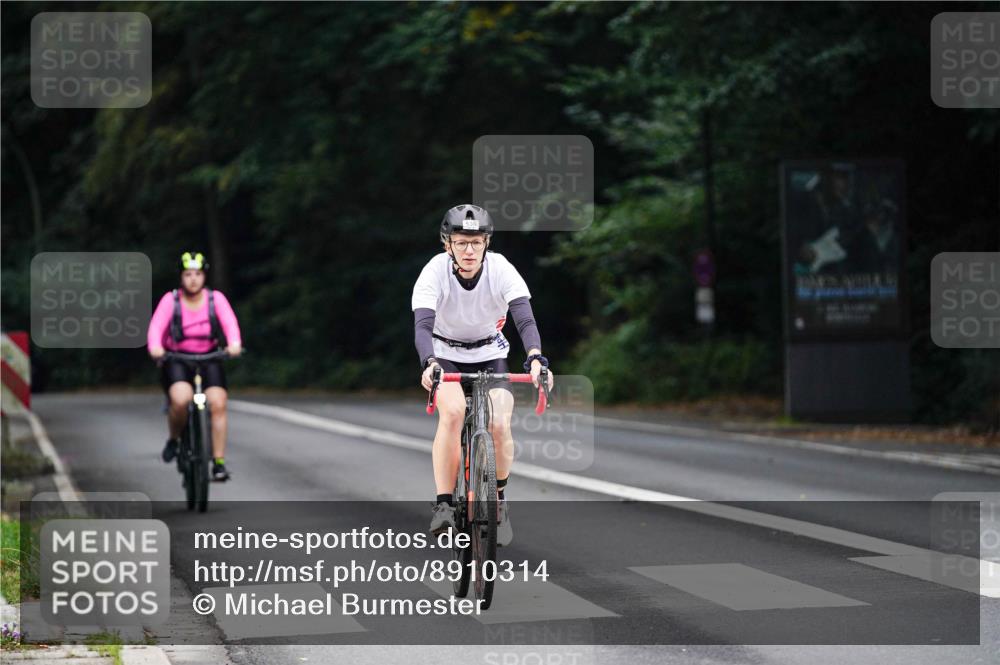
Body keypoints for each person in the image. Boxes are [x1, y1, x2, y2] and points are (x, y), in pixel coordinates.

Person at [412, 204, 554, 546]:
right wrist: (428, 362)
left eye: (477, 242)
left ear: (487, 243)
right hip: (444, 354)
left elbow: (524, 319)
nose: (470, 250)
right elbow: (422, 326)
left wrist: (535, 358)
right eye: (461, 242)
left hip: (490, 353)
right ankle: (444, 504)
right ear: (448, 244)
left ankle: (499, 503)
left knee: (500, 422)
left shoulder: (501, 268)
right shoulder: (434, 271)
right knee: (454, 412)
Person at [147, 252, 243, 481]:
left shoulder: (215, 299)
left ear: (204, 276)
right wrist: (156, 348)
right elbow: (155, 328)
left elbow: (230, 324)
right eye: (188, 274)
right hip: (178, 359)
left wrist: (234, 344)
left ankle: (218, 462)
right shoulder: (171, 301)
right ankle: (174, 438)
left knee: (218, 403)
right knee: (180, 400)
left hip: (210, 357)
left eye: (198, 274)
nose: (193, 279)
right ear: (181, 277)